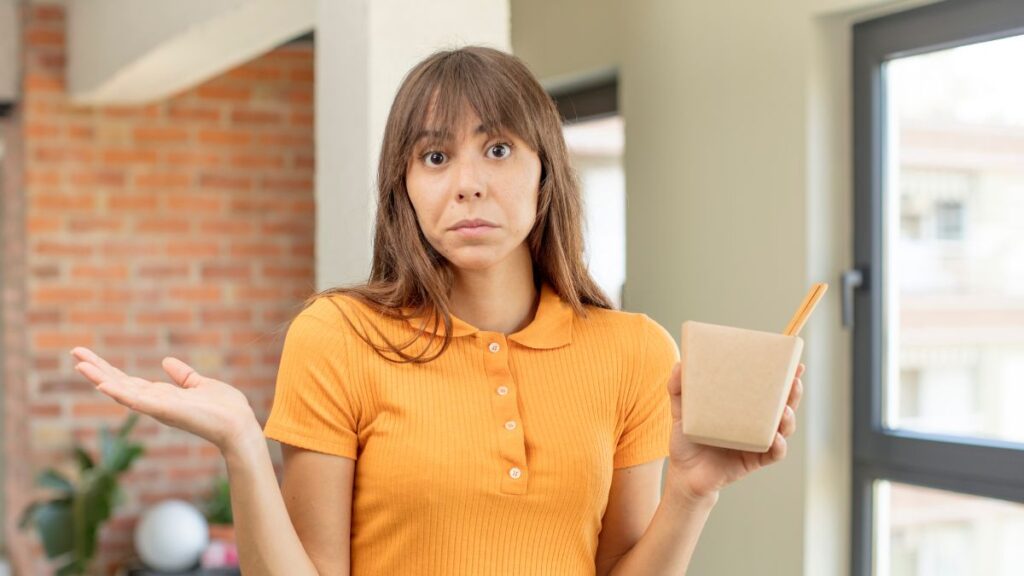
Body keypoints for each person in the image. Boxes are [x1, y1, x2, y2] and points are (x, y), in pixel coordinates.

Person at [71, 46, 805, 575]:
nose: (467, 184)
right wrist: (241, 445)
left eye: (497, 149)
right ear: (405, 189)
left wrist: (693, 492)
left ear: (545, 174)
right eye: (433, 157)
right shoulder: (336, 337)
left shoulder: (636, 352)